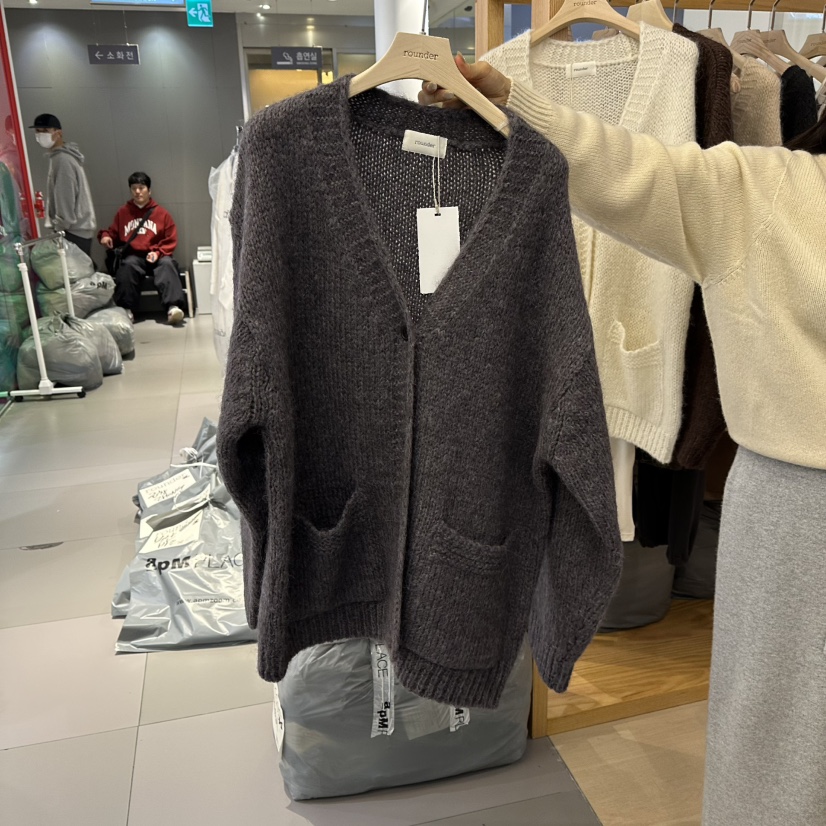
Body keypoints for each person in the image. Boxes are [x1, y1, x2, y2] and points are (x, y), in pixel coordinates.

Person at [420, 59, 825, 826]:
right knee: (780, 755)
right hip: (799, 521)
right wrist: (513, 103)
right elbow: (622, 167)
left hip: (789, 511)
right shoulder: (765, 190)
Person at [98, 172, 186, 325]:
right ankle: (126, 309)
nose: (137, 192)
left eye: (141, 188)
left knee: (167, 264)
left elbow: (170, 239)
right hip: (134, 256)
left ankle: (173, 307)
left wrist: (158, 252)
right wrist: (105, 237)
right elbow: (112, 232)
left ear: (149, 190)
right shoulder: (123, 212)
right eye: (134, 188)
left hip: (157, 255)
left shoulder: (162, 214)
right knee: (127, 266)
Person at [28, 113, 96, 256]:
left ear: (58, 133)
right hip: (77, 231)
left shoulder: (63, 160)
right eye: (38, 131)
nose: (40, 135)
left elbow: (65, 198)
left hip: (72, 233)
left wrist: (59, 228)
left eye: (45, 131)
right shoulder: (61, 157)